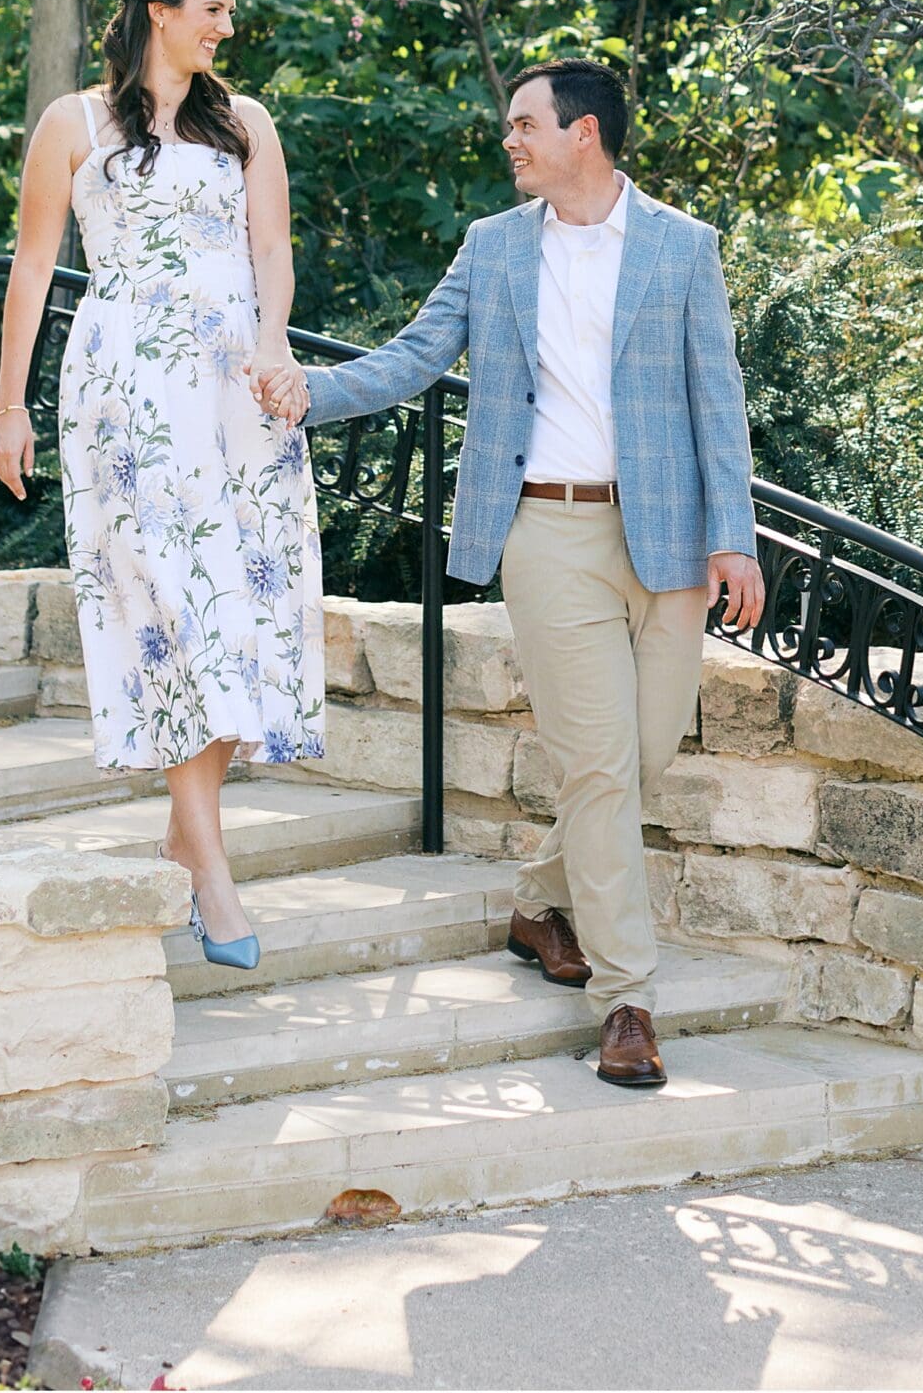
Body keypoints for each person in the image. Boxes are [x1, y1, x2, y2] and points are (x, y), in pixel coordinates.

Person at [256, 58, 763, 1087]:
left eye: (526, 124)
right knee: (600, 766)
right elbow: (414, 357)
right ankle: (627, 1000)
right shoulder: (493, 247)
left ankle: (538, 902)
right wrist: (309, 391)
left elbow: (717, 398)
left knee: (641, 759)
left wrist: (735, 536)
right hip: (546, 534)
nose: (510, 140)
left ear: (585, 133)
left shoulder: (681, 245)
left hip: (667, 539)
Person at [0, 0, 324, 972]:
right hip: (126, 387)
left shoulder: (246, 122)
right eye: (213, 8)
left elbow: (272, 247)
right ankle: (212, 876)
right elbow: (33, 266)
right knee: (171, 606)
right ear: (159, 11)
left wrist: (275, 344)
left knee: (237, 611)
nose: (227, 25)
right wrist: (9, 404)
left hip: (237, 389)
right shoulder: (73, 122)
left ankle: (186, 839)